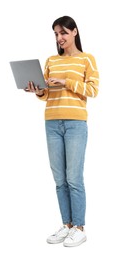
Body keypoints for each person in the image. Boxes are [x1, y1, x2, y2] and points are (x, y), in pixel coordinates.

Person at [25, 15, 99, 247]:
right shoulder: (51, 61)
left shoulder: (87, 59)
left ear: (74, 32)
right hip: (52, 122)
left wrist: (66, 82)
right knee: (59, 180)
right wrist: (37, 90)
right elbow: (46, 93)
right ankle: (66, 225)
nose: (59, 38)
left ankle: (79, 227)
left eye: (63, 33)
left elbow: (93, 90)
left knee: (73, 178)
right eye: (56, 34)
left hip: (76, 122)